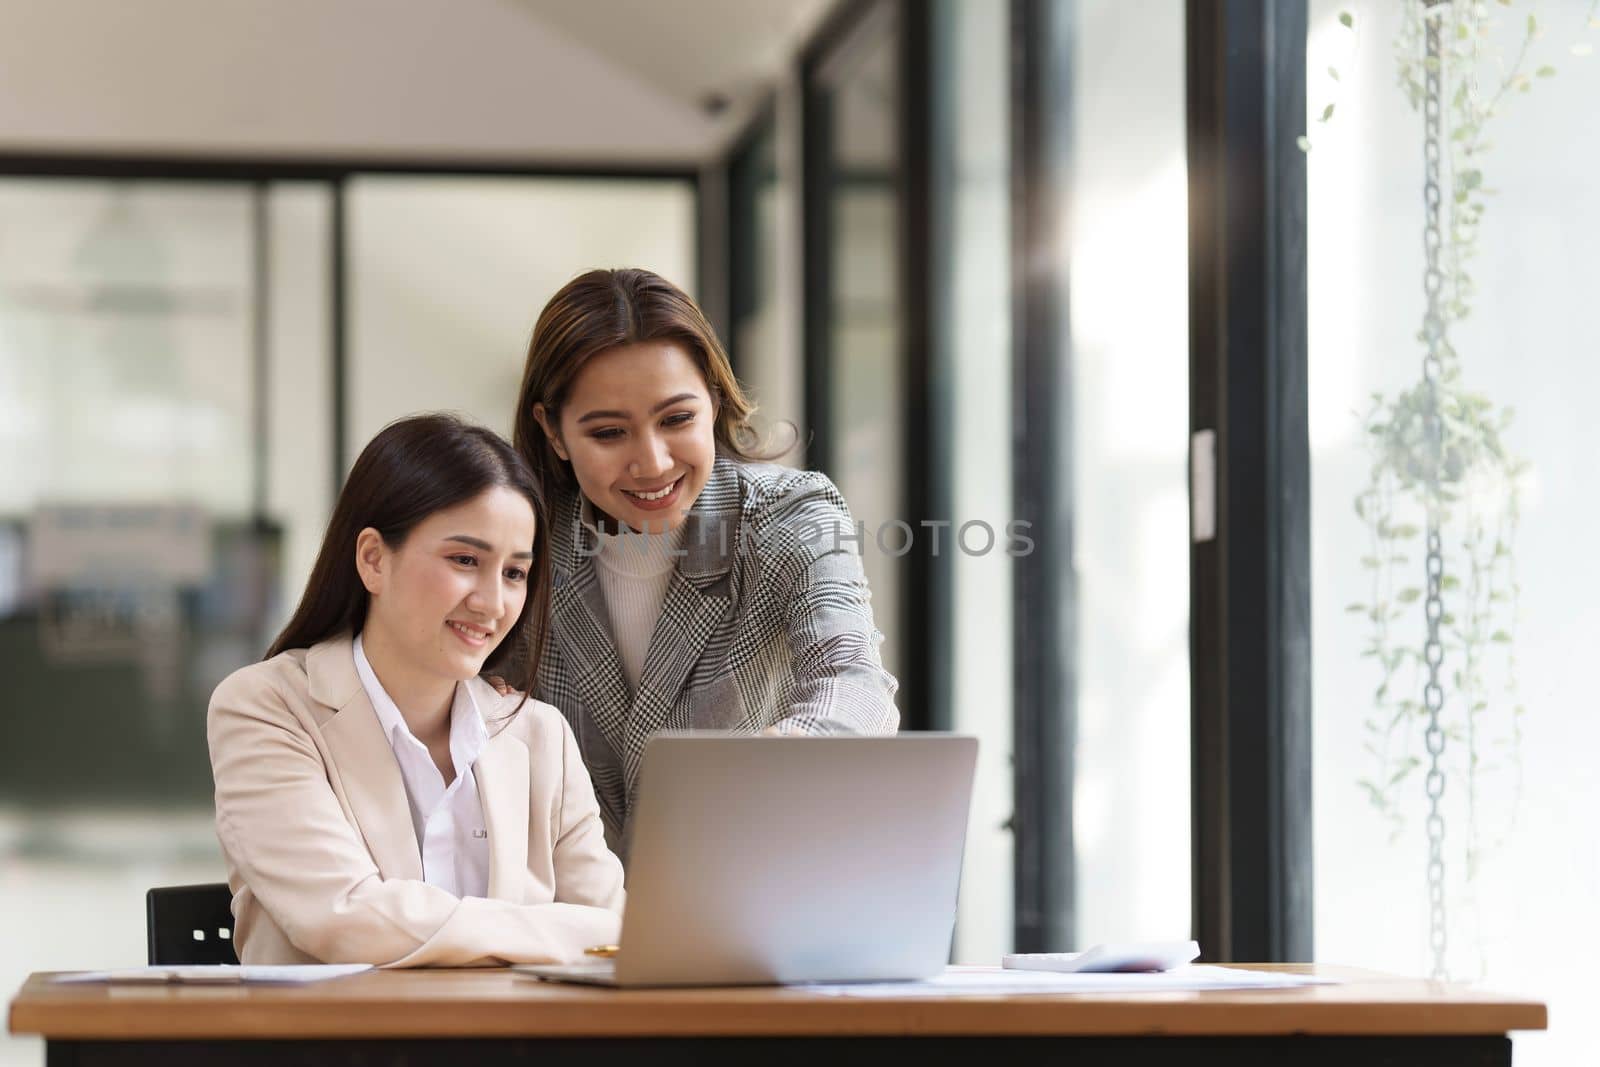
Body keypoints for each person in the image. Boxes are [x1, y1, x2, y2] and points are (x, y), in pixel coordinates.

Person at [207, 414, 623, 966]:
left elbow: (617, 940)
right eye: (465, 560)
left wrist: (588, 935)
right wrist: (559, 932)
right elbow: (344, 920)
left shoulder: (540, 734)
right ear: (374, 559)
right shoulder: (267, 707)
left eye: (515, 573)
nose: (493, 603)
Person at [512, 267, 899, 857]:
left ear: (714, 402)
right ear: (555, 433)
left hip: (750, 898)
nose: (652, 462)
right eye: (610, 433)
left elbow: (855, 683)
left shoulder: (788, 514)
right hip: (566, 922)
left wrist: (766, 761)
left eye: (677, 419)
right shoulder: (521, 543)